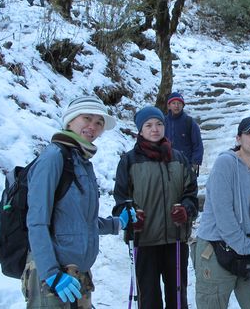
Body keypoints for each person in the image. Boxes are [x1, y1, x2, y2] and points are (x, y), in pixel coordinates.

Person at [23, 96, 138, 308]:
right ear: (70, 121)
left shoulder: (81, 161)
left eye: (99, 123)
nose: (92, 127)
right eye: (87, 118)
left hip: (78, 274)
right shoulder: (54, 158)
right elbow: (36, 221)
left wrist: (117, 223)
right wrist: (51, 274)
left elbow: (80, 220)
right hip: (52, 275)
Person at [112, 106, 198, 309]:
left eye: (159, 124)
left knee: (178, 299)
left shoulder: (178, 158)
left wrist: (186, 211)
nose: (155, 129)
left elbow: (191, 195)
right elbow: (120, 202)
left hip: (175, 239)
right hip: (144, 241)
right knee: (148, 299)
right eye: (148, 125)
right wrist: (131, 217)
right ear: (140, 130)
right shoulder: (129, 161)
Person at [194, 116, 250, 309]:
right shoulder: (225, 164)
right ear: (238, 138)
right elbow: (223, 215)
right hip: (216, 246)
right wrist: (247, 247)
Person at [164, 92, 204, 176]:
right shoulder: (163, 122)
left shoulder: (189, 122)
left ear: (183, 105)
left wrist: (195, 162)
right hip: (166, 166)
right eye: (173, 103)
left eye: (179, 103)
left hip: (186, 165)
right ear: (169, 106)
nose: (176, 106)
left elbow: (198, 144)